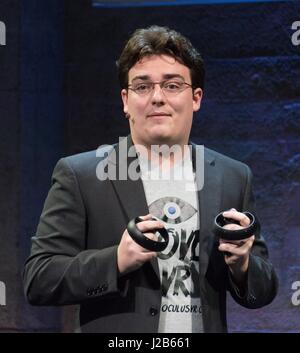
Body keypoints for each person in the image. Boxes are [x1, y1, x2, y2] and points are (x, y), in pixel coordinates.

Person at [23, 25, 278, 333]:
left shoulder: (232, 175)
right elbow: (40, 279)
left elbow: (262, 291)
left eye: (172, 85)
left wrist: (243, 265)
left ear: (196, 98)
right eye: (143, 87)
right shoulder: (81, 175)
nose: (157, 97)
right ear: (125, 100)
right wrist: (116, 261)